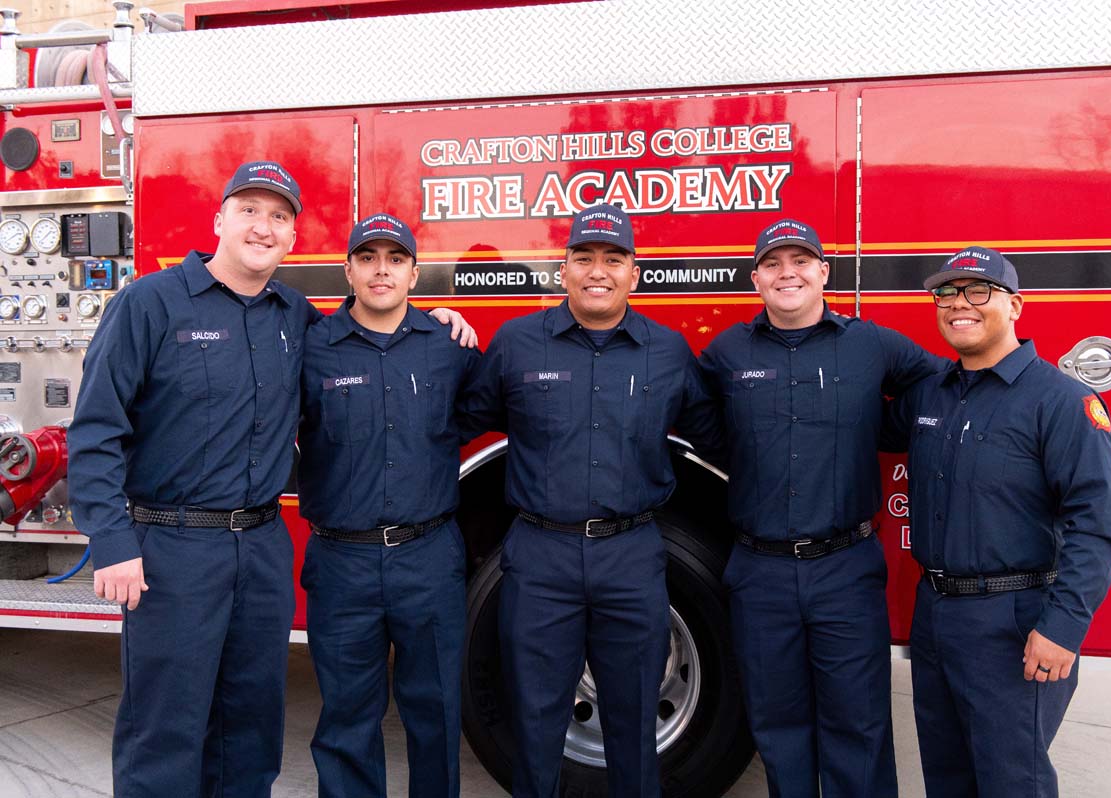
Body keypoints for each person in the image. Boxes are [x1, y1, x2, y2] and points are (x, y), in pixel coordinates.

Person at [68, 162, 474, 798]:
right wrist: (112, 541)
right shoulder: (149, 304)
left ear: (292, 237)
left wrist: (433, 320)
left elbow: (367, 336)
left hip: (261, 550)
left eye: (279, 216)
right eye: (250, 210)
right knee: (165, 729)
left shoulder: (295, 316)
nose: (263, 227)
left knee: (251, 728)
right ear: (219, 220)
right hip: (174, 548)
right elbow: (96, 429)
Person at [459, 203, 723, 798]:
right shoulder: (517, 344)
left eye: (613, 258)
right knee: (534, 727)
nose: (597, 271)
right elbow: (456, 418)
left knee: (633, 726)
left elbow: (723, 438)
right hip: (539, 557)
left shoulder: (668, 351)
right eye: (584, 257)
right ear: (564, 270)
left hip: (630, 556)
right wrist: (433, 330)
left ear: (634, 273)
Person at [698, 219, 942, 797]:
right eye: (773, 263)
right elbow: (695, 413)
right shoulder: (727, 351)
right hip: (760, 572)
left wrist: (883, 428)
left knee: (859, 726)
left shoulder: (869, 343)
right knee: (778, 728)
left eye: (801, 261)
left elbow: (936, 380)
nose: (788, 273)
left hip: (845, 569)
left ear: (823, 272)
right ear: (756, 278)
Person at [882, 246, 1111, 797]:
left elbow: (1097, 525)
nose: (958, 304)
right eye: (947, 293)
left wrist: (1062, 628)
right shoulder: (931, 394)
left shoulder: (1061, 401)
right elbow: (854, 425)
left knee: (1012, 782)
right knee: (947, 777)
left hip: (1013, 621)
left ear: (1014, 305)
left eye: (978, 291)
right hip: (935, 614)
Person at [297, 213, 480, 798]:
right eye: (368, 258)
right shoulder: (311, 349)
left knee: (436, 715)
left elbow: (481, 414)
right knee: (347, 720)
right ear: (348, 270)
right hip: (342, 564)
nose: (382, 270)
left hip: (429, 559)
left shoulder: (449, 346)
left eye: (395, 259)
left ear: (414, 274)